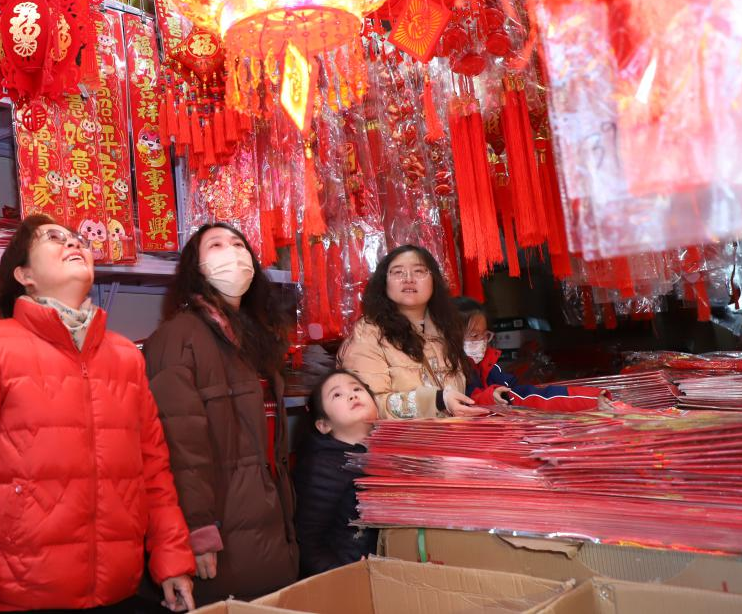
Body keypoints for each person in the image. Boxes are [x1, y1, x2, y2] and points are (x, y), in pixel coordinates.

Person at [0, 215, 196, 614]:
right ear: (24, 275)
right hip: (22, 592)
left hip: (118, 589)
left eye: (78, 240)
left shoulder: (125, 356)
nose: (74, 244)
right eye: (53, 238)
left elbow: (154, 471)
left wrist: (172, 559)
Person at [142, 223, 299, 603]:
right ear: (195, 267)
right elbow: (180, 448)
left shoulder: (254, 337)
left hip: (268, 524)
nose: (233, 252)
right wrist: (197, 531)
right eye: (215, 245)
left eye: (239, 244)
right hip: (221, 534)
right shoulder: (178, 337)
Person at [338, 245, 489, 420]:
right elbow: (367, 404)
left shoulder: (445, 330)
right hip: (398, 437)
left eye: (419, 271)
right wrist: (436, 401)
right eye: (398, 272)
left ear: (434, 281)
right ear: (384, 283)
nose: (408, 279)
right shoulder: (368, 334)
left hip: (448, 434)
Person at [293, 370, 380, 577]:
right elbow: (307, 542)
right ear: (324, 425)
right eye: (337, 395)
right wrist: (342, 574)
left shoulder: (382, 452)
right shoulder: (321, 466)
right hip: (347, 576)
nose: (352, 395)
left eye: (357, 388)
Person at [454, 297, 605, 412]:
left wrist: (591, 398)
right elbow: (471, 401)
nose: (482, 342)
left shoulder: (490, 368)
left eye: (485, 335)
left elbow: (523, 395)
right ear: (452, 337)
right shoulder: (452, 375)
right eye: (474, 336)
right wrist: (490, 398)